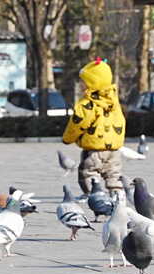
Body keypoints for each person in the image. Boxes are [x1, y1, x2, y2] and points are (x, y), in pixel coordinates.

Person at [62, 58, 126, 199]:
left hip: (93, 150)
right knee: (113, 175)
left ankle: (95, 197)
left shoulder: (87, 104)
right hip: (114, 150)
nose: (81, 85)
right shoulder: (114, 101)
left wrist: (67, 138)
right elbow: (121, 121)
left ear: (92, 83)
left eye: (84, 81)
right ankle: (117, 198)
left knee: (88, 173)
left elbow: (78, 123)